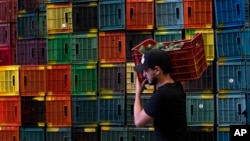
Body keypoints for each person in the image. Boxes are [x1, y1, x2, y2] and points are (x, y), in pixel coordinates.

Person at [133, 49, 187, 141]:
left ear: (157, 70)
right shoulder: (178, 86)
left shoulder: (161, 96)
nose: (144, 74)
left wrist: (138, 93)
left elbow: (138, 121)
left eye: (146, 70)